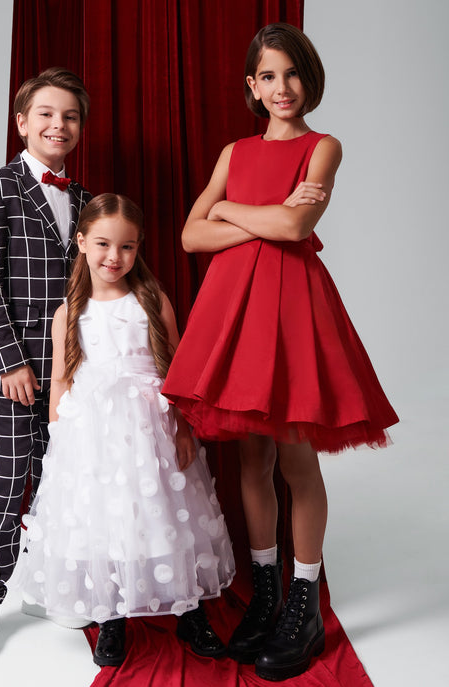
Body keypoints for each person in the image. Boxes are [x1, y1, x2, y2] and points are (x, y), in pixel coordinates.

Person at [161, 23, 398, 682]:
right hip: (234, 311)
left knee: (295, 455)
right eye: (268, 75)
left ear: (308, 79)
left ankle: (303, 600)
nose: (282, 86)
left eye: (292, 73)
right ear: (252, 85)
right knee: (252, 456)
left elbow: (295, 225)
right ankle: (265, 590)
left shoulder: (323, 147)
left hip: (290, 306)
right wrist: (250, 212)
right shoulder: (235, 152)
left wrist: (229, 214)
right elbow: (189, 237)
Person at [19, 193, 235, 667]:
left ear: (138, 248)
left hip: (150, 431)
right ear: (81, 242)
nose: (113, 257)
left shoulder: (151, 301)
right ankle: (111, 616)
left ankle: (190, 611)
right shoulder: (70, 312)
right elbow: (61, 380)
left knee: (164, 516)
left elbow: (176, 370)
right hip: (92, 437)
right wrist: (60, 443)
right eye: (102, 244)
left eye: (126, 247)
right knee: (105, 522)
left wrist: (183, 431)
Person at [0, 67, 93, 661]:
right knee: (8, 477)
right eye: (46, 114)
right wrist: (10, 361)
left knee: (58, 478)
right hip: (14, 366)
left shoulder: (85, 200)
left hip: (71, 367)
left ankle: (43, 587)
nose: (58, 124)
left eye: (70, 116)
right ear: (22, 122)